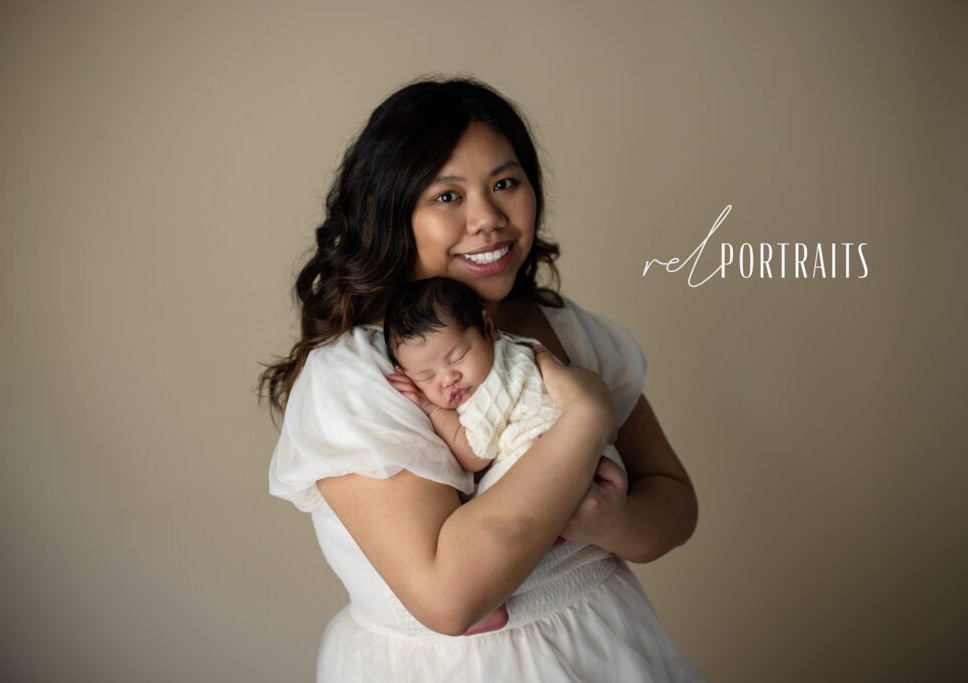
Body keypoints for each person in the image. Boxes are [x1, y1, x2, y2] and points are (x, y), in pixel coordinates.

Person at [262, 76, 704, 682]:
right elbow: (450, 597)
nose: (488, 219)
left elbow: (675, 500)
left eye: (505, 183)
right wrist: (586, 416)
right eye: (447, 197)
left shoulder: (567, 329)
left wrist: (616, 523)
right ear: (391, 213)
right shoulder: (358, 376)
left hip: (609, 645)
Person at [383, 276, 623, 497]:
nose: (448, 379)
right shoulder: (510, 354)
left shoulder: (498, 376)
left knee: (483, 507)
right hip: (580, 465)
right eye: (427, 377)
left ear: (488, 328)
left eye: (459, 357)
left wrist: (432, 409)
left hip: (565, 461)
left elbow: (476, 454)